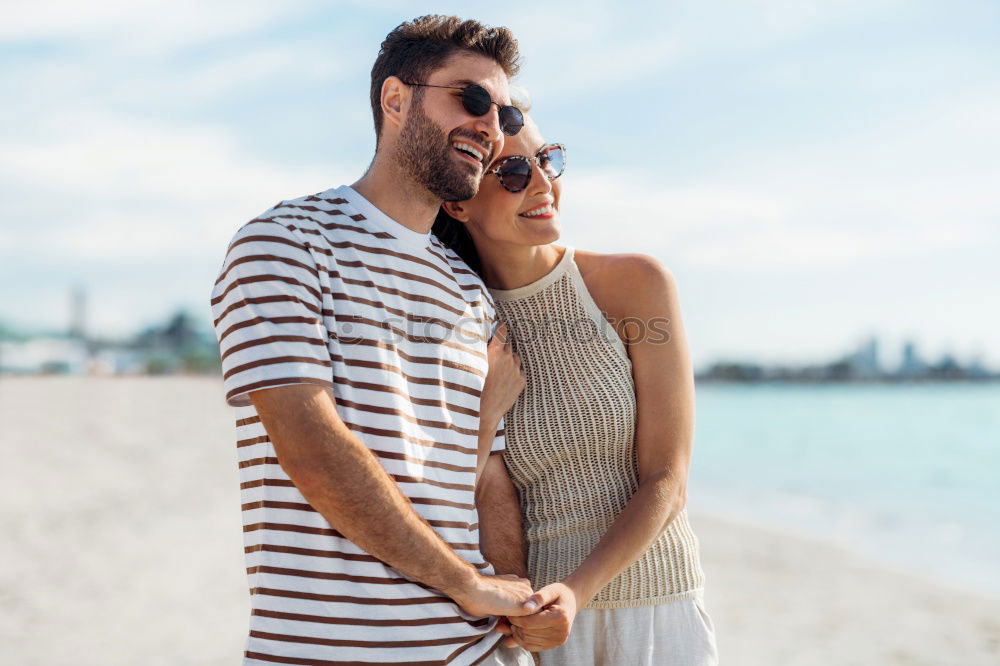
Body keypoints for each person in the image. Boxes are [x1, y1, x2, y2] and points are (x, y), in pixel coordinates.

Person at [209, 15, 540, 665]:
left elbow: (487, 478)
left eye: (503, 115)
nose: (488, 126)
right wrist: (465, 584)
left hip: (477, 651)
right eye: (471, 98)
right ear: (396, 99)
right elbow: (312, 448)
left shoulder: (469, 292)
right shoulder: (285, 243)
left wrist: (519, 611)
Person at [434, 112, 720, 664]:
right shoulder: (455, 324)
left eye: (548, 159)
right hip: (533, 626)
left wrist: (578, 590)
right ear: (458, 202)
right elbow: (447, 494)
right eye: (512, 171)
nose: (543, 183)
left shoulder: (634, 284)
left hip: (655, 609)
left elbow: (668, 479)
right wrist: (488, 416)